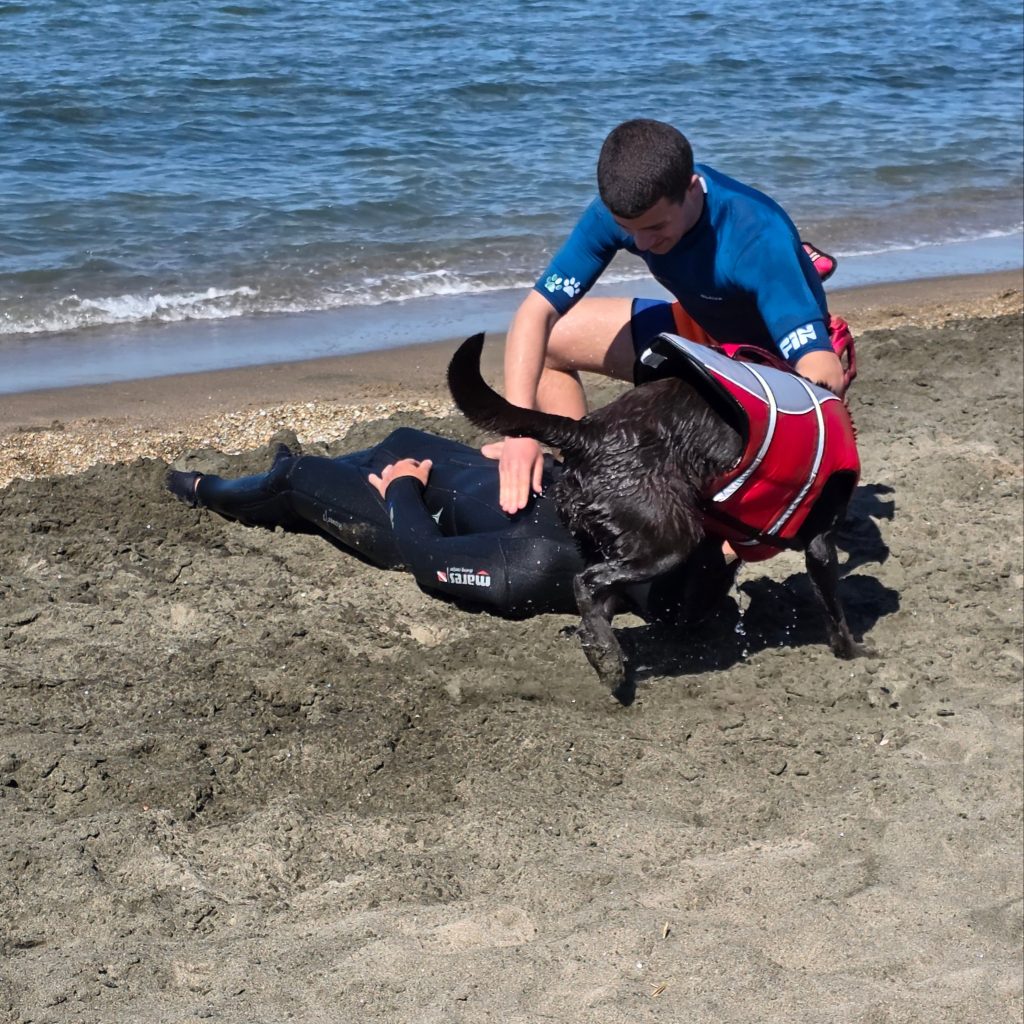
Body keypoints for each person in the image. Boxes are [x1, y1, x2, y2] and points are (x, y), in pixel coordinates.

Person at [493, 118, 854, 515]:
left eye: (655, 227)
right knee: (550, 343)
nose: (642, 243)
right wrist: (520, 432)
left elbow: (823, 369)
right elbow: (536, 312)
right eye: (626, 229)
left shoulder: (754, 236)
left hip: (763, 371)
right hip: (700, 332)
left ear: (691, 188)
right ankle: (589, 472)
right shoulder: (627, 212)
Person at [164, 427, 731, 623]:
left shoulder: (537, 568)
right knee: (402, 438)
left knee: (300, 477)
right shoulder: (636, 515)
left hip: (408, 511)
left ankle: (205, 488)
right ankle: (300, 482)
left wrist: (403, 490)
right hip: (454, 467)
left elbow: (433, 565)